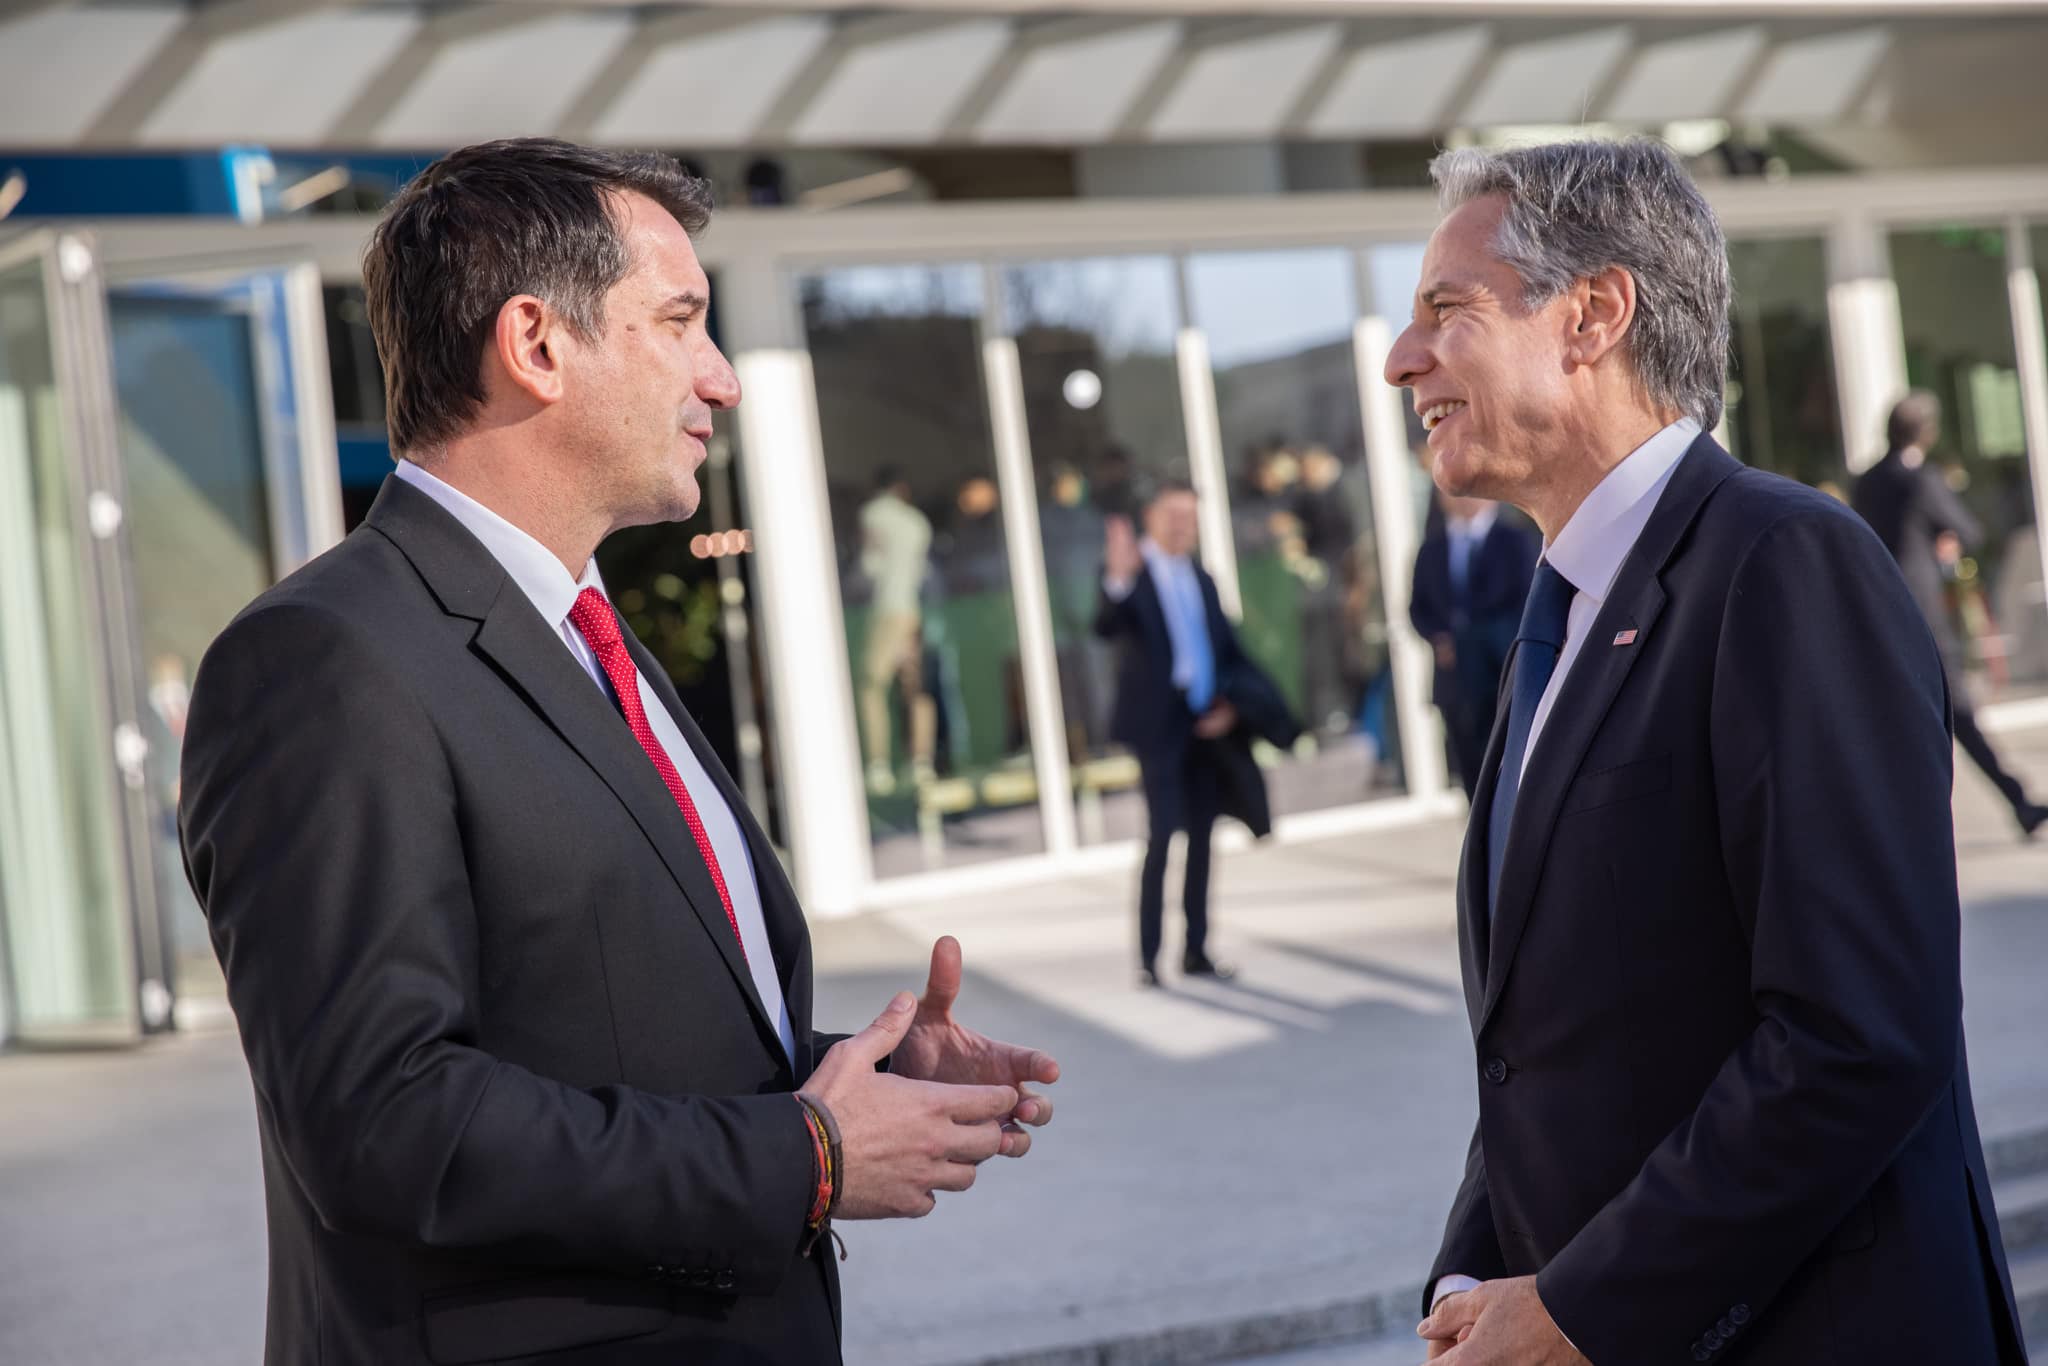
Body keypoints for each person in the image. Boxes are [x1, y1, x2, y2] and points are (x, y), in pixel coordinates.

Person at [178, 139, 1058, 1366]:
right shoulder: (324, 659)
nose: (722, 377)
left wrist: (844, 1074)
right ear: (536, 345)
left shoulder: (579, 628)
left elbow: (586, 1019)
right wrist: (805, 1156)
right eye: (680, 322)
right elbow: (385, 1120)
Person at [1385, 139, 2025, 1364]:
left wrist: (1580, 1309)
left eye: (1445, 310)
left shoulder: (1781, 564)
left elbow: (1854, 1036)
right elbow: (1540, 1052)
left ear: (1591, 315)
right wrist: (1472, 1277)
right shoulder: (1555, 623)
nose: (1398, 358)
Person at [1853, 391, 2046, 838]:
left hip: (1879, 610)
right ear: (1927, 432)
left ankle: (2013, 799)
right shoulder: (1921, 479)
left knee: (1896, 717)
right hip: (1923, 613)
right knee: (1955, 708)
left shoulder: (1867, 480)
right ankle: (2016, 800)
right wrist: (1943, 537)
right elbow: (1969, 530)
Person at [1096, 479, 1245, 988]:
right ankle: (1148, 956)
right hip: (1158, 726)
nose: (1184, 526)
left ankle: (1196, 951)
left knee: (1203, 837)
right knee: (1162, 835)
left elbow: (1225, 648)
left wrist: (1229, 706)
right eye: (1174, 515)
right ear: (1151, 517)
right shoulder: (1133, 573)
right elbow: (1105, 626)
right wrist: (1116, 580)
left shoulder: (1201, 577)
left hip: (1203, 720)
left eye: (1191, 517)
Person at [1408, 486, 1539, 800]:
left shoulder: (1516, 540)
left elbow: (1526, 602)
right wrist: (1439, 638)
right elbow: (1418, 608)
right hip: (1456, 682)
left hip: (1501, 674)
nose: (1463, 498)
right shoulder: (1431, 548)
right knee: (1472, 773)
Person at [857, 465, 937, 796]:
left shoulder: (873, 514)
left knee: (872, 687)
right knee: (915, 687)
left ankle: (878, 765)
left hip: (887, 608)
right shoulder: (918, 522)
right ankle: (921, 761)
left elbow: (869, 567)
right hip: (913, 609)